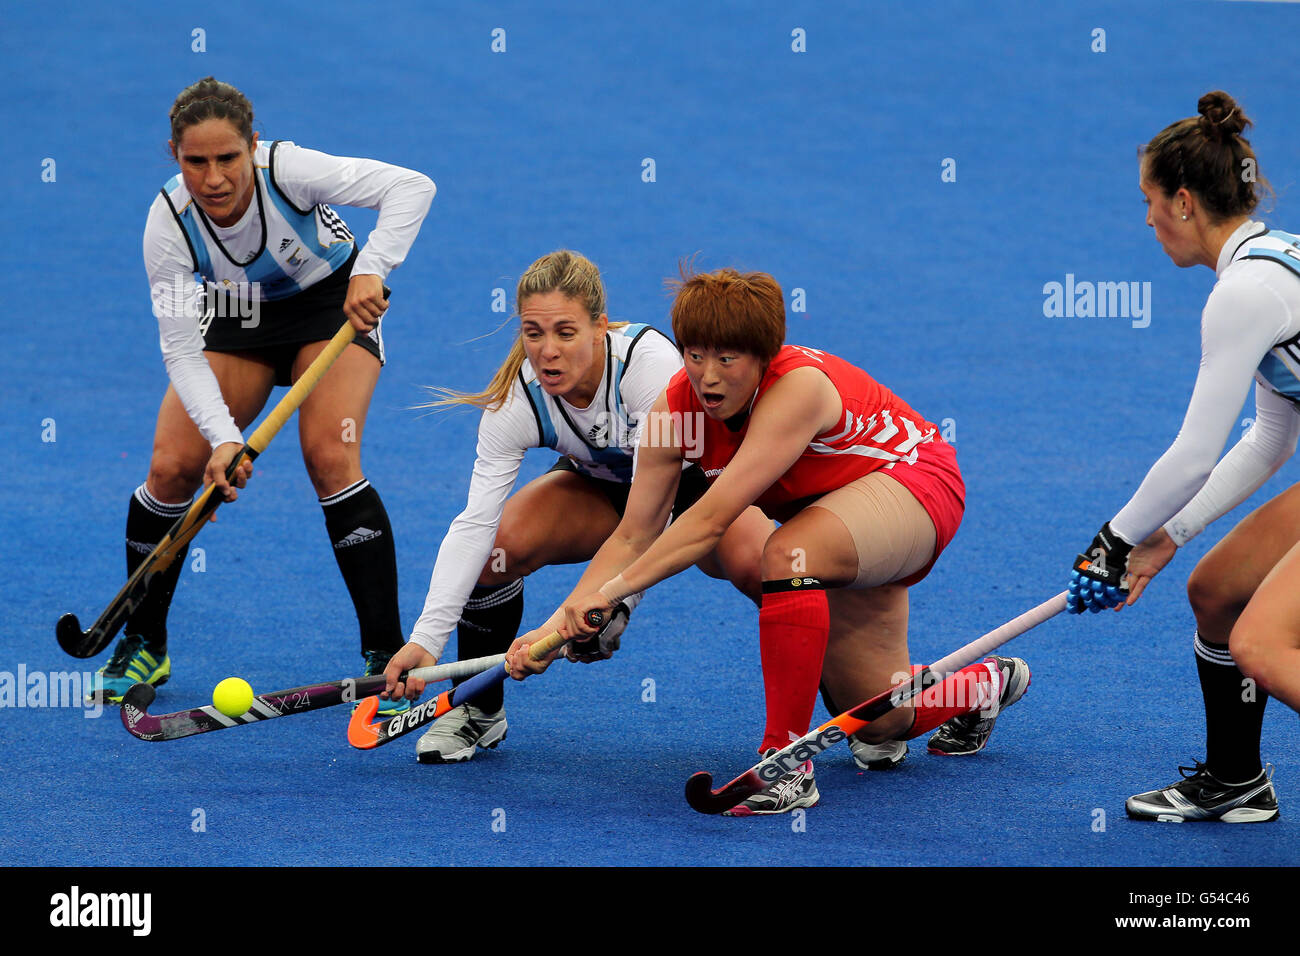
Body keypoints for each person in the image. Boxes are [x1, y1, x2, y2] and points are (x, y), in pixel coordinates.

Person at [505, 266, 1030, 816]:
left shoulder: (796, 388)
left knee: (783, 555)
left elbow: (709, 521)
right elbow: (634, 533)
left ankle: (785, 762)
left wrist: (610, 595)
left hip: (915, 488)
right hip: (834, 524)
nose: (708, 377)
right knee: (877, 718)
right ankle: (979, 688)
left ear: (763, 356)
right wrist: (555, 626)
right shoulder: (672, 412)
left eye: (727, 359)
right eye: (695, 355)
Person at [88, 77, 435, 708]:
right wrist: (224, 438)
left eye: (228, 158)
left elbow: (411, 186)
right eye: (196, 162)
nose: (214, 177)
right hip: (238, 318)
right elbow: (180, 348)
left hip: (332, 305)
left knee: (331, 457)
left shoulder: (289, 170)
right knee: (171, 467)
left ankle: (386, 654)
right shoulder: (167, 224)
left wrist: (373, 267)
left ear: (253, 145)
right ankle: (144, 640)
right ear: (175, 155)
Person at [381, 250, 770, 762]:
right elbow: (473, 523)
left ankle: (862, 707)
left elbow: (659, 513)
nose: (547, 353)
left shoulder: (649, 369)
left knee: (768, 569)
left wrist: (615, 604)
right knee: (496, 549)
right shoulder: (517, 399)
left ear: (599, 328)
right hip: (602, 491)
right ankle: (477, 710)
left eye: (566, 332)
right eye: (533, 333)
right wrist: (426, 639)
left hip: (699, 492)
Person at [1068, 91, 1299, 823]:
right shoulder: (1271, 264)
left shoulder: (1244, 292)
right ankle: (1236, 780)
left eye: (1150, 200)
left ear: (1186, 201)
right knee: (1218, 593)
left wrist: (1111, 542)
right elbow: (1269, 437)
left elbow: (1196, 453)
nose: (1146, 220)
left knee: (1264, 645)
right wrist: (1167, 536)